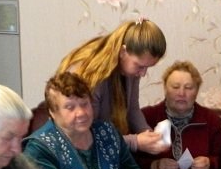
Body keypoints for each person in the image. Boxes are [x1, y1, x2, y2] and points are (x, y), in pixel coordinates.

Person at [23, 72, 147, 169]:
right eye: (70, 107)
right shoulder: (39, 148)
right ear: (53, 113)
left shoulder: (107, 132)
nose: (81, 113)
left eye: (84, 104)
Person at [56, 17, 168, 154]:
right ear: (123, 52)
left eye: (147, 67)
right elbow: (86, 136)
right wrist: (136, 142)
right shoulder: (92, 76)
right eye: (140, 66)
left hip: (109, 147)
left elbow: (132, 109)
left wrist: (149, 136)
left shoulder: (131, 68)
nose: (143, 74)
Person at [139, 60, 221, 169]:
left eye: (188, 87)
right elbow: (129, 160)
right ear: (165, 89)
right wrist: (153, 166)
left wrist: (210, 163)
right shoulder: (146, 117)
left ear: (197, 91)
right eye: (175, 87)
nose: (181, 93)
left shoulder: (210, 119)